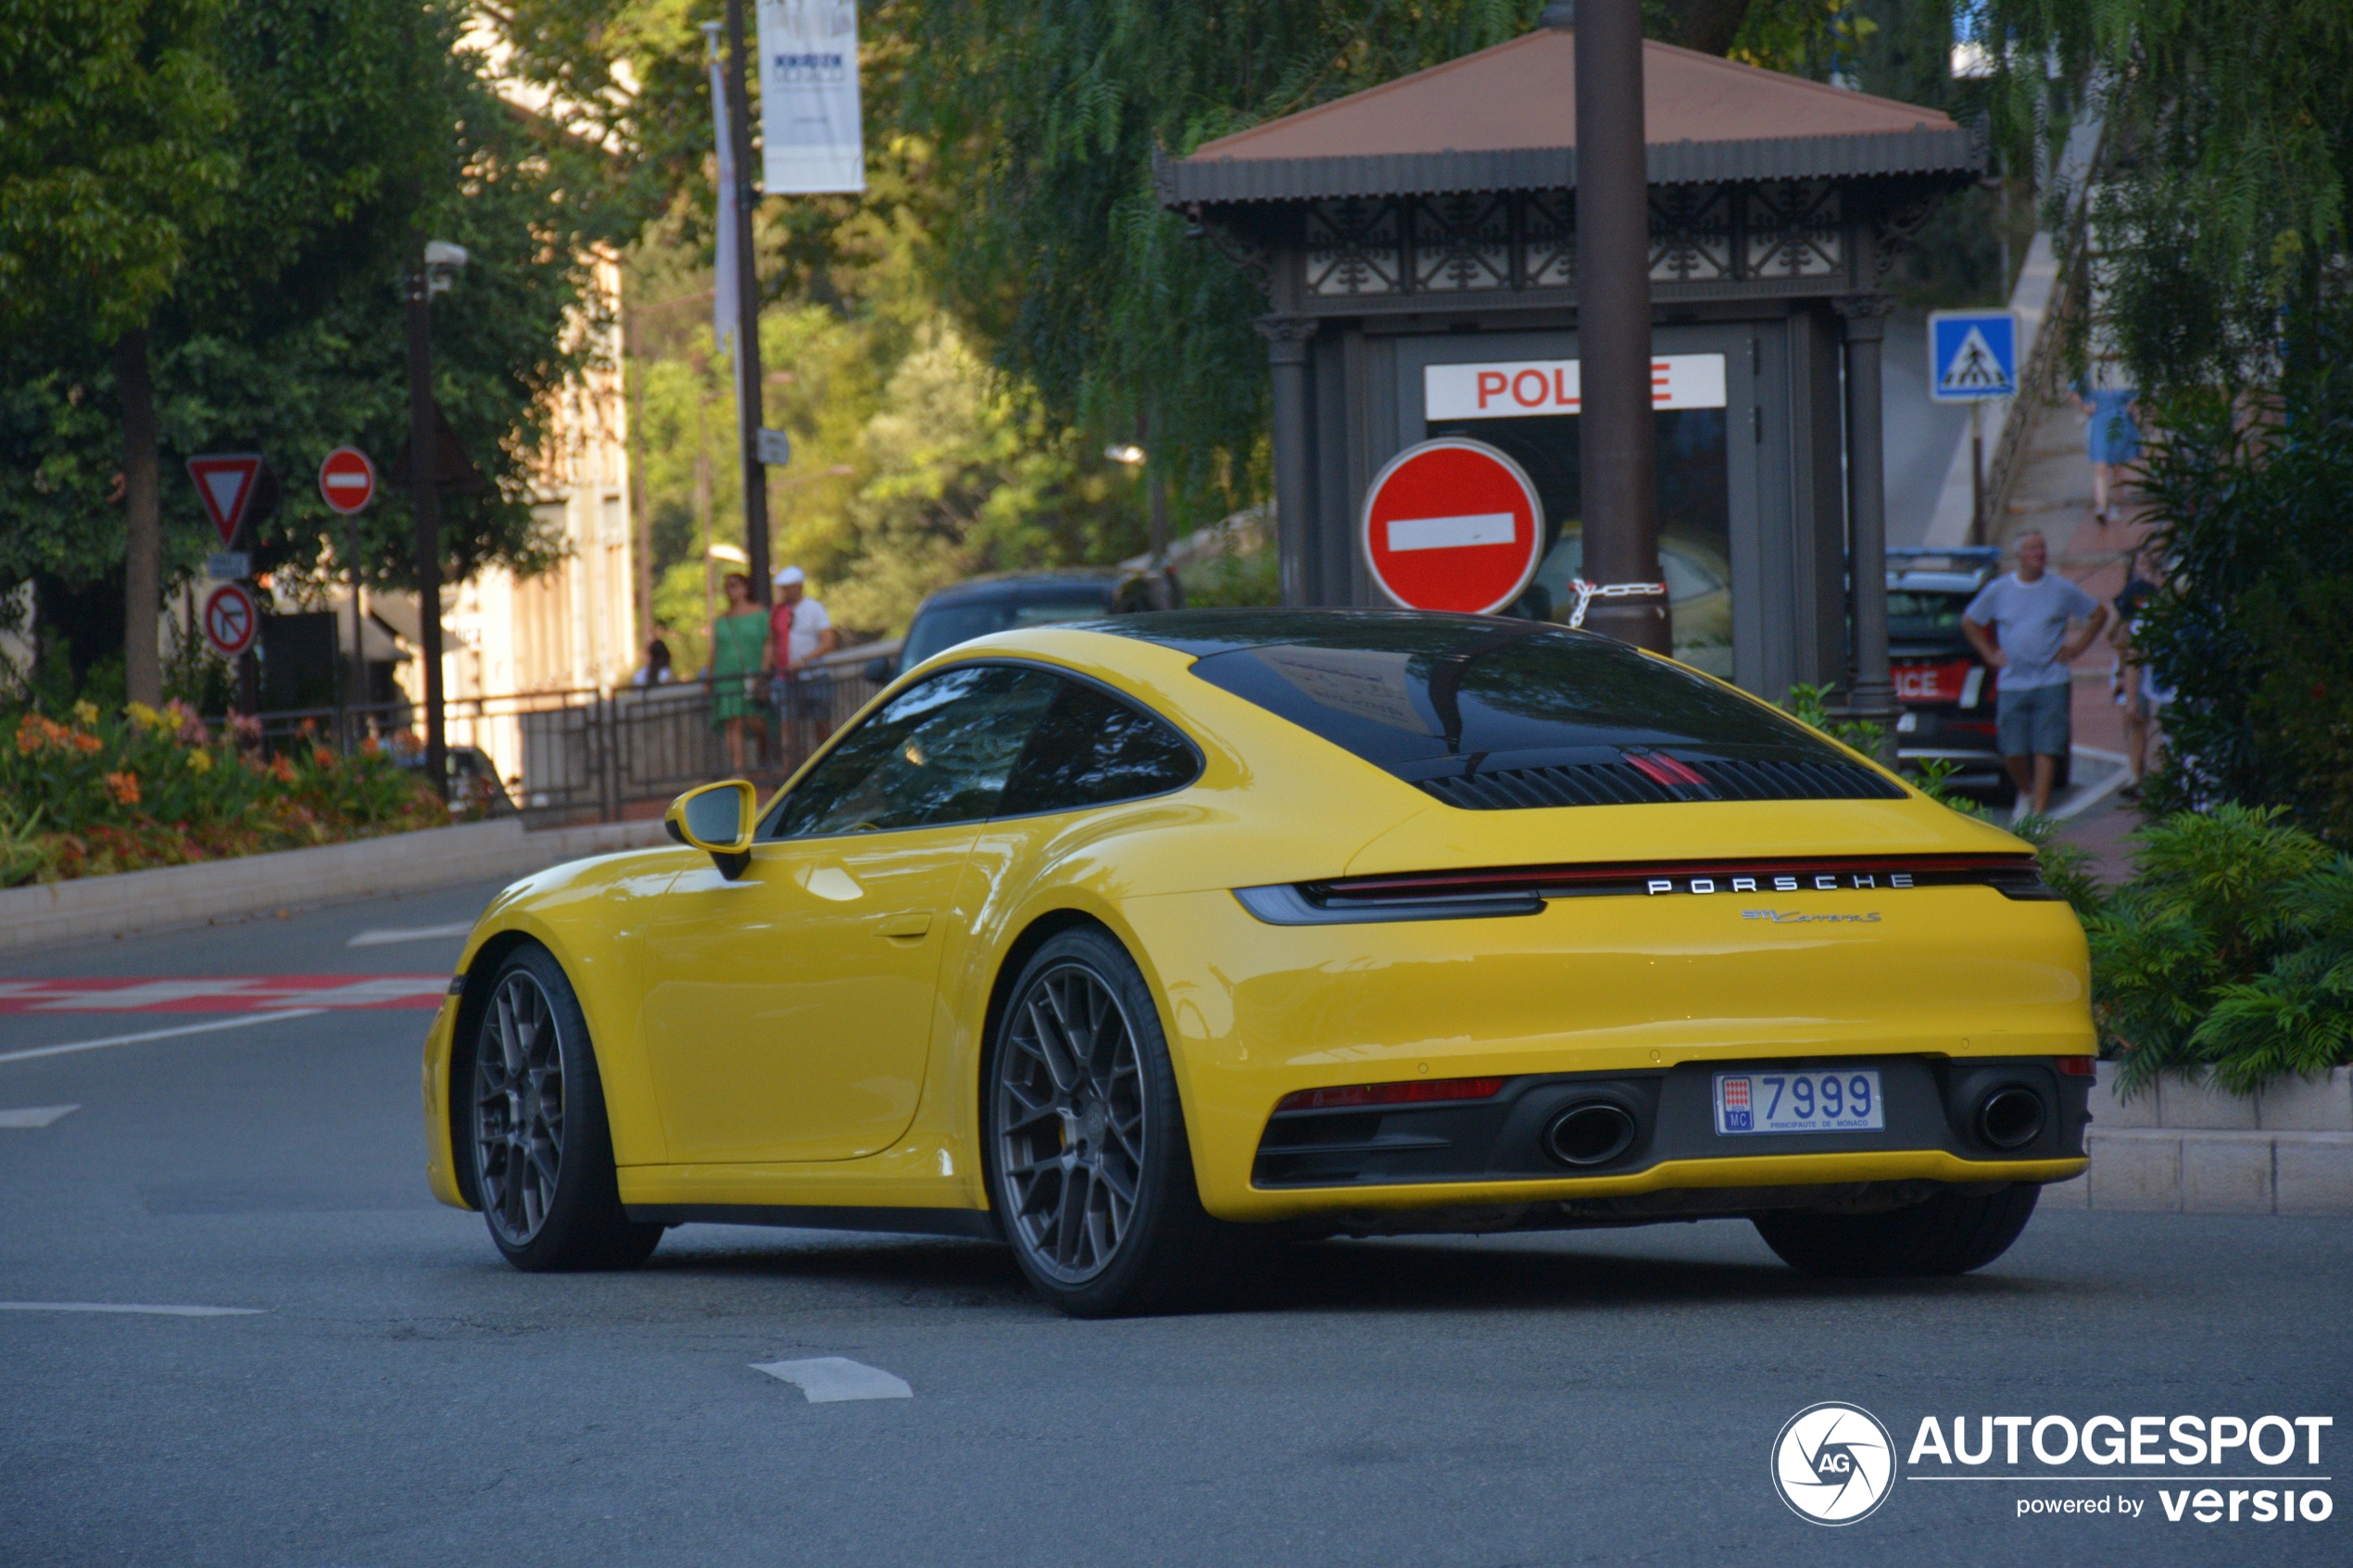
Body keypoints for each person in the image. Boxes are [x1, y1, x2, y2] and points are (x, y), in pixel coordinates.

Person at [1961, 531, 2108, 821]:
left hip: (2051, 679)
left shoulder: (2061, 588)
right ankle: (2025, 791)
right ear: (2019, 555)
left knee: (2046, 746)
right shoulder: (1999, 590)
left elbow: (2098, 614)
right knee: (2012, 749)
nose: (2038, 554)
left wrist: (2076, 648)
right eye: (2031, 549)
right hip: (2013, 681)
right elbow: (1970, 621)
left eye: (2042, 548)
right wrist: (1989, 653)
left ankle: (2039, 812)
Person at [2108, 547, 2169, 798]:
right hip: (2136, 666)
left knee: (2160, 719)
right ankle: (2136, 771)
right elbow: (2119, 634)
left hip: (2157, 668)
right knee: (2135, 716)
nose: (2143, 570)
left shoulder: (2160, 598)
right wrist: (2122, 672)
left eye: (2149, 565)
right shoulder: (2134, 595)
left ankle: (2161, 773)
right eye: (2140, 564)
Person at [769, 565, 838, 763]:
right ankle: (789, 768)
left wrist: (804, 661)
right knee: (787, 725)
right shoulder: (779, 611)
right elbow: (772, 640)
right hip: (787, 678)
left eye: (788, 587)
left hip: (814, 677)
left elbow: (828, 641)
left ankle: (827, 762)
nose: (785, 592)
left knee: (821, 724)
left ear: (798, 587)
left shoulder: (813, 608)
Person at [706, 572, 772, 773]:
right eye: (728, 586)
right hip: (725, 676)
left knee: (756, 719)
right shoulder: (722, 620)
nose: (732, 589)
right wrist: (708, 677)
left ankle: (765, 757)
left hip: (750, 675)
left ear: (745, 588)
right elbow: (715, 650)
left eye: (736, 585)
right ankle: (739, 768)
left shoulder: (760, 614)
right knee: (732, 721)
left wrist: (764, 671)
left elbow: (769, 643)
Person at [2074, 370, 2141, 526]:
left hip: (2120, 424)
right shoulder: (2091, 372)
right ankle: (2101, 508)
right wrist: (2085, 407)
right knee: (2101, 466)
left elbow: (2137, 394)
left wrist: (2132, 407)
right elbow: (2074, 391)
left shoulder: (2123, 373)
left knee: (2117, 467)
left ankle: (2115, 504)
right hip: (2099, 424)